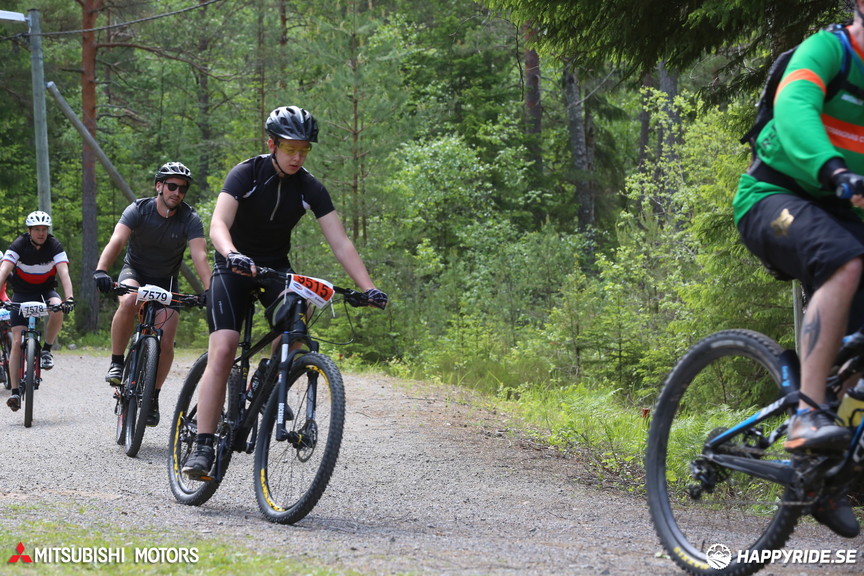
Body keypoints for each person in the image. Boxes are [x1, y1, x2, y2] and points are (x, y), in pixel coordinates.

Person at [182, 105, 387, 479]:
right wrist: (232, 254)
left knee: (301, 310)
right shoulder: (247, 173)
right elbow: (218, 224)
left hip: (274, 267)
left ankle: (267, 379)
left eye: (304, 150)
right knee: (225, 348)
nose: (297, 156)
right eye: (290, 148)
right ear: (272, 144)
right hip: (233, 267)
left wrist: (368, 288)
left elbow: (340, 242)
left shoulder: (309, 187)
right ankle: (203, 446)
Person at [733, 3, 864, 538]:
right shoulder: (828, 51)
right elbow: (794, 109)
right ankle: (808, 412)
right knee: (846, 260)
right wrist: (832, 167)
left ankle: (825, 473)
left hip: (841, 210)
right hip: (774, 197)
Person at [93, 162, 210, 426]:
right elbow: (117, 240)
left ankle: (152, 396)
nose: (177, 192)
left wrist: (210, 290)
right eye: (171, 186)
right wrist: (101, 270)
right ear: (159, 186)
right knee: (130, 300)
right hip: (134, 271)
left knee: (166, 341)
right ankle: (117, 362)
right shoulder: (138, 209)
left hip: (166, 281)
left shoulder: (190, 219)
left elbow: (199, 255)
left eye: (183, 188)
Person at [0, 211, 74, 411]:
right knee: (16, 341)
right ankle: (15, 392)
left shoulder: (54, 245)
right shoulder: (19, 244)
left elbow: (64, 273)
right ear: (29, 231)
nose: (41, 233)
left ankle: (47, 350)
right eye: (37, 230)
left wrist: (69, 298)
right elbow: (4, 270)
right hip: (22, 293)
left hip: (45, 291)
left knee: (58, 308)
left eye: (44, 229)